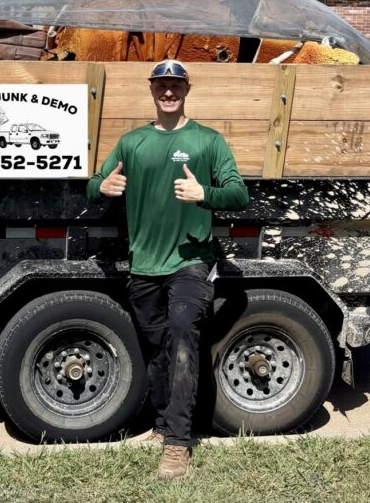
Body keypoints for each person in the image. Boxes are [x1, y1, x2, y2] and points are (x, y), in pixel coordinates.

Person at [87, 59, 249, 479]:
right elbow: (94, 183)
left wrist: (204, 192)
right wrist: (102, 187)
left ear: (187, 89)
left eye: (175, 84)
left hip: (191, 263)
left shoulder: (208, 141)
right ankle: (162, 427)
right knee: (158, 347)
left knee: (181, 337)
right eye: (162, 84)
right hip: (144, 265)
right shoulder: (132, 142)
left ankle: (177, 445)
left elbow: (238, 194)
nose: (168, 91)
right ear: (152, 89)